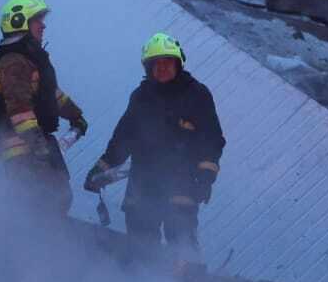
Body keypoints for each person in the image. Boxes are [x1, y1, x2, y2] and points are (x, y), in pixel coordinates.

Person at [85, 32, 224, 264]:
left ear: (178, 63)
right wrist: (100, 169)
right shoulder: (141, 97)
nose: (162, 68)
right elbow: (122, 138)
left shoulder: (197, 94)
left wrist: (206, 177)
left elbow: (212, 139)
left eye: (167, 62)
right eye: (155, 64)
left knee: (182, 247)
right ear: (147, 68)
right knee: (141, 248)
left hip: (183, 184)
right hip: (143, 185)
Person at [0, 0, 88, 214]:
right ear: (20, 21)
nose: (43, 25)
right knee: (42, 204)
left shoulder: (29, 59)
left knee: (58, 198)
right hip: (21, 151)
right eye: (38, 19)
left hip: (35, 146)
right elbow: (19, 109)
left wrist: (76, 115)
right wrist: (37, 144)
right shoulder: (13, 62)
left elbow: (50, 95)